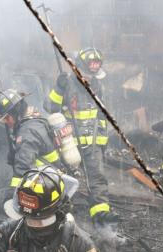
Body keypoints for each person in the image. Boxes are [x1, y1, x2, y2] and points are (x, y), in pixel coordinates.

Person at [47, 47, 116, 225]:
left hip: (92, 143)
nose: (89, 78)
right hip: (70, 143)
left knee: (97, 177)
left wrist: (102, 143)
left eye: (92, 74)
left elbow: (101, 116)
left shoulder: (98, 86)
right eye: (86, 73)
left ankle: (100, 214)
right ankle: (60, 213)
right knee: (66, 177)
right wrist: (58, 88)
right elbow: (50, 108)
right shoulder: (67, 84)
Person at [0, 89, 64, 204]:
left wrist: (12, 196)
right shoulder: (35, 121)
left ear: (16, 113)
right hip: (52, 178)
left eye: (7, 118)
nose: (6, 122)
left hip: (46, 185)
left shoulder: (27, 133)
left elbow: (23, 169)